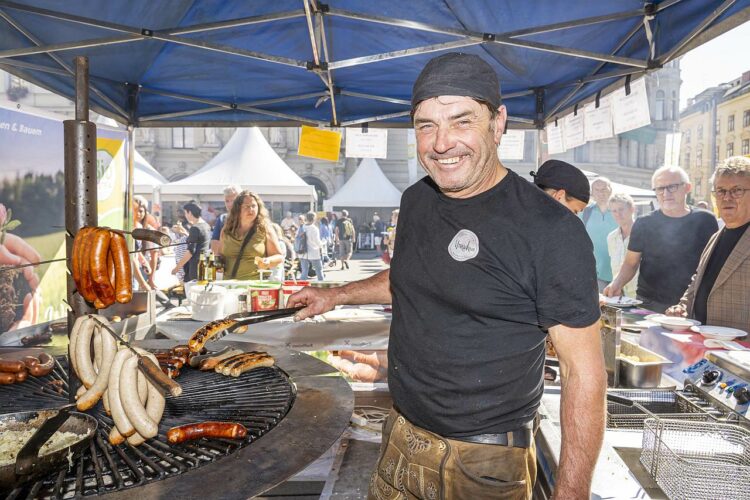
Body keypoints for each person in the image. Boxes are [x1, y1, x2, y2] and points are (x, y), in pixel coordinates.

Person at [289, 52, 605, 500]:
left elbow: (584, 374)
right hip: (400, 438)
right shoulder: (418, 199)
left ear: (498, 124)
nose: (441, 143)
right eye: (426, 126)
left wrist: (571, 495)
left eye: (461, 121)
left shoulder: (551, 229)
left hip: (483, 465)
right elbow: (410, 277)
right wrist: (336, 294)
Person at [604, 166, 718, 313]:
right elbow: (631, 263)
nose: (665, 193)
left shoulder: (705, 220)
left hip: (691, 303)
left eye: (672, 187)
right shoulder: (643, 223)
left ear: (687, 187)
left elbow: (711, 265)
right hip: (649, 303)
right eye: (660, 189)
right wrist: (616, 283)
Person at [666, 156, 750, 331]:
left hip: (741, 352)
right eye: (720, 191)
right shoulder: (716, 236)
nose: (727, 197)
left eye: (737, 190)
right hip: (706, 345)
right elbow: (698, 281)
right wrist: (683, 307)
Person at [220, 191, 282, 280]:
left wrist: (268, 261)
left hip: (255, 287)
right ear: (238, 209)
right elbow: (220, 255)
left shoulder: (265, 229)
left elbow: (279, 256)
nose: (251, 210)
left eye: (253, 206)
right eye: (246, 206)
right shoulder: (227, 229)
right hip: (229, 286)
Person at [581, 177, 618, 291]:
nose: (600, 193)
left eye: (604, 189)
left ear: (610, 190)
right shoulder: (585, 212)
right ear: (592, 193)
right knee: (600, 306)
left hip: (619, 272)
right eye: (596, 190)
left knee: (618, 307)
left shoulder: (619, 210)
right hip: (595, 272)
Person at [606, 193, 638, 298]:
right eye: (614, 211)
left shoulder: (643, 234)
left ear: (632, 209)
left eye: (621, 209)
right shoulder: (611, 237)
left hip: (640, 296)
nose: (618, 214)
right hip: (619, 295)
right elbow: (615, 266)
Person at [171, 202, 211, 282]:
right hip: (206, 264)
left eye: (185, 213)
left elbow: (190, 251)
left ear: (189, 212)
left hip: (195, 267)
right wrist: (184, 232)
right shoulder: (206, 226)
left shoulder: (195, 228)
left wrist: (177, 268)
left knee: (194, 293)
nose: (185, 215)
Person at [211, 184, 242, 255]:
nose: (230, 204)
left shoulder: (250, 218)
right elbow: (214, 247)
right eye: (227, 201)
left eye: (233, 200)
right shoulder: (222, 219)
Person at [135, 203, 159, 289]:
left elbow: (154, 255)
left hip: (144, 269)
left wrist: (151, 278)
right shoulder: (131, 228)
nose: (138, 213)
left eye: (141, 211)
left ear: (145, 213)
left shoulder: (149, 230)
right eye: (135, 211)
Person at [297, 212, 324, 281]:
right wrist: (322, 244)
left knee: (304, 271)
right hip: (313, 252)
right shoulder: (314, 229)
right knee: (319, 270)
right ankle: (322, 286)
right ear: (314, 219)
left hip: (302, 252)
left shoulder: (301, 227)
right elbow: (317, 242)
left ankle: (301, 287)